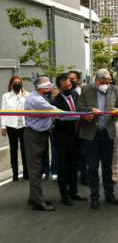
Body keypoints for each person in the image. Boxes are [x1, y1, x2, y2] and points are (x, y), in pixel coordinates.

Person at [24, 77, 78, 211]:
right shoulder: (36, 99)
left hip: (40, 134)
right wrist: (80, 116)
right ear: (40, 89)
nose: (51, 90)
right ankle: (38, 202)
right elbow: (58, 113)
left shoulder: (40, 97)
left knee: (37, 167)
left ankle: (35, 197)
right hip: (34, 135)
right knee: (36, 169)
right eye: (48, 87)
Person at [77, 68, 118, 209]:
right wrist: (90, 111)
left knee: (107, 166)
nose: (105, 85)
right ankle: (94, 196)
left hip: (107, 133)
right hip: (91, 135)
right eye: (102, 82)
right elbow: (79, 108)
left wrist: (117, 112)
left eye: (107, 82)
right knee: (93, 167)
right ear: (95, 81)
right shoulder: (85, 90)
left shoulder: (114, 90)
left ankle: (109, 193)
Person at [53, 75, 88, 205]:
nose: (68, 88)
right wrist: (79, 117)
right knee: (63, 167)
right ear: (59, 88)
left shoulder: (75, 95)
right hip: (63, 138)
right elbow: (62, 117)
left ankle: (74, 191)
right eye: (65, 87)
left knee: (74, 166)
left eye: (69, 85)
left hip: (76, 136)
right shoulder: (55, 101)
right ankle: (64, 194)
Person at [1, 76, 29, 181]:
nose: (17, 84)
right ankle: (15, 173)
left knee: (24, 149)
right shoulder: (6, 96)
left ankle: (26, 173)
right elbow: (3, 112)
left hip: (23, 126)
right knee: (13, 149)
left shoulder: (26, 95)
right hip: (11, 126)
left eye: (19, 82)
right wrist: (3, 126)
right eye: (15, 82)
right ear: (11, 84)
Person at [109, 73, 118, 184]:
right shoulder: (92, 91)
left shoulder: (115, 90)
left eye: (109, 80)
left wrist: (116, 110)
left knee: (114, 149)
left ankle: (113, 172)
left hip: (114, 123)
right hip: (99, 124)